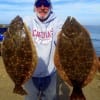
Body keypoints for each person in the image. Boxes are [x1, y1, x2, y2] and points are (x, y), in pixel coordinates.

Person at [23, 0, 63, 100]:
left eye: (45, 4)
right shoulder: (27, 21)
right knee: (30, 98)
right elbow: (20, 38)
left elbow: (60, 38)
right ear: (34, 7)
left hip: (50, 73)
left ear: (50, 6)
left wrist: (64, 38)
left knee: (51, 98)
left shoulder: (58, 22)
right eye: (38, 4)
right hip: (29, 73)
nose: (42, 7)